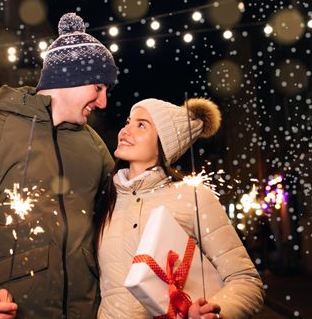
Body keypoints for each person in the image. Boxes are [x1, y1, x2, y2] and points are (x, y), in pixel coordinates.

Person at [0, 12, 118, 319]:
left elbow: (121, 223)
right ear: (70, 77)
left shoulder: (94, 147)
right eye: (99, 87)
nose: (103, 102)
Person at [96, 98, 265, 319]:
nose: (125, 130)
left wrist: (215, 311)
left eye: (141, 125)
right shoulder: (107, 199)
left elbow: (246, 280)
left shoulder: (193, 197)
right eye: (128, 122)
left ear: (164, 144)